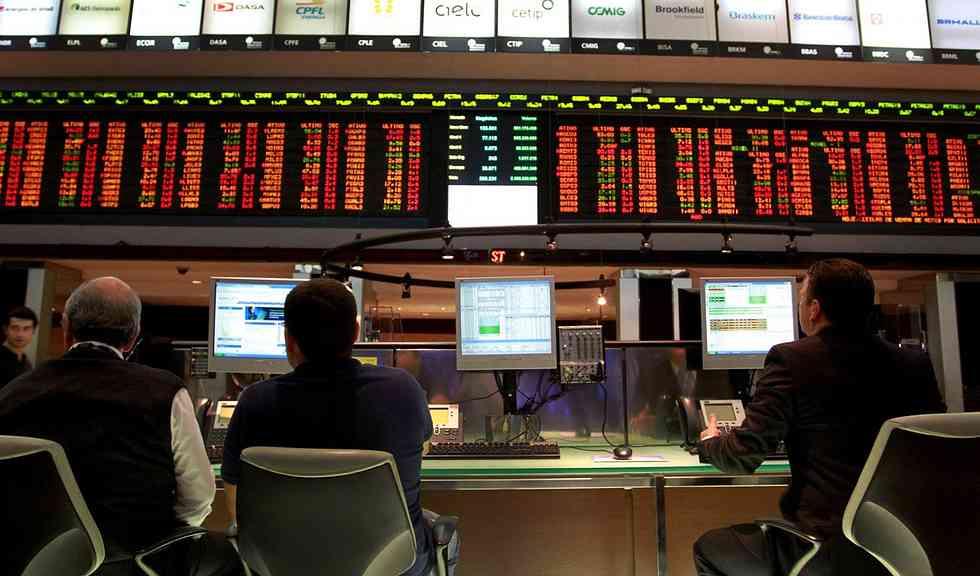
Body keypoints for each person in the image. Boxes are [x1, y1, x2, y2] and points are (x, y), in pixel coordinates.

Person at [694, 259, 946, 576]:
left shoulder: (790, 359)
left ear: (814, 309)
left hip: (826, 548)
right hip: (905, 549)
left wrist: (710, 443)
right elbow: (938, 450)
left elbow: (743, 456)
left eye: (801, 299)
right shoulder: (915, 364)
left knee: (709, 549)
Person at [0, 277, 237, 575]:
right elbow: (198, 495)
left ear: (66, 329)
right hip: (137, 561)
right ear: (133, 336)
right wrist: (164, 542)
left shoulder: (12, 394)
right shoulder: (165, 391)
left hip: (39, 563)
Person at [222, 279, 449, 576]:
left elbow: (236, 505)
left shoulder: (254, 402)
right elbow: (423, 446)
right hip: (390, 567)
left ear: (288, 338)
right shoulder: (402, 389)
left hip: (284, 566)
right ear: (355, 332)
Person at [0, 305, 37, 388]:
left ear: (33, 331)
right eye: (15, 328)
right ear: (5, 329)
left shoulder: (26, 363)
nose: (20, 334)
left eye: (26, 328)